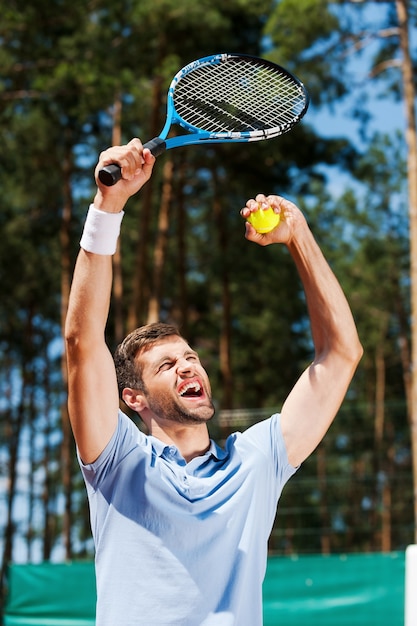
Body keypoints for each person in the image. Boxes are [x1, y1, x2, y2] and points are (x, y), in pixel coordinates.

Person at [65, 138, 362, 626]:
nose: (188, 366)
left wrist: (299, 236)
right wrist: (108, 205)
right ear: (132, 398)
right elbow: (82, 339)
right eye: (166, 365)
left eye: (191, 357)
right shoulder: (117, 458)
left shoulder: (255, 461)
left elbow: (342, 354)